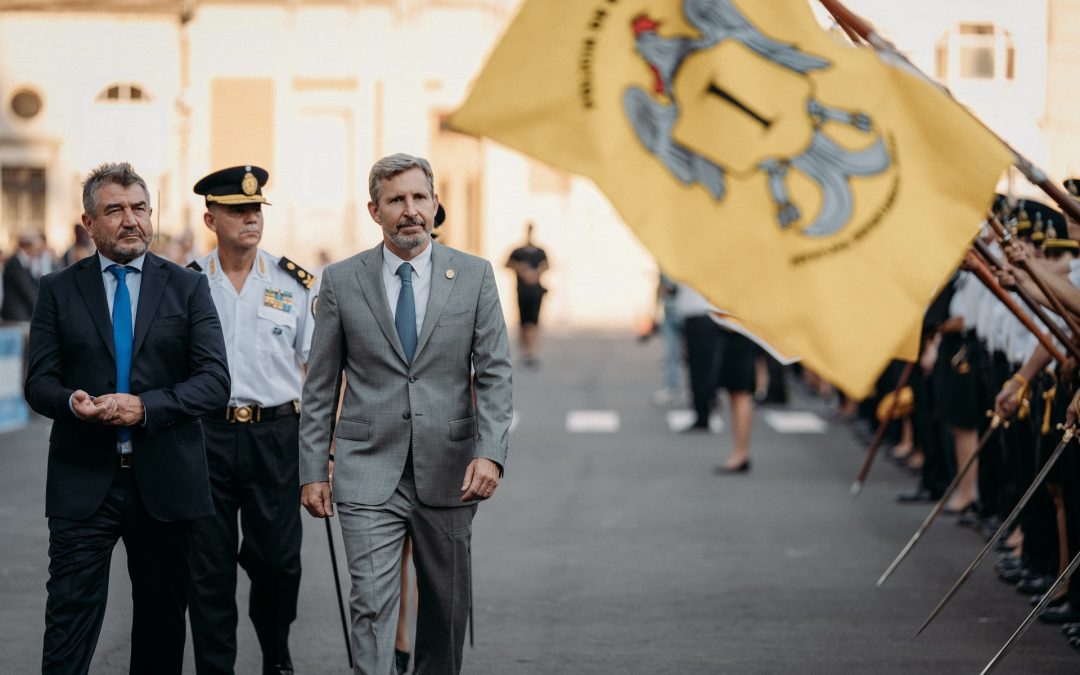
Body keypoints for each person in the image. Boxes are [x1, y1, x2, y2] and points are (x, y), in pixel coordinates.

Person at [299, 153, 512, 675]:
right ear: (375, 211)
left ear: (436, 205)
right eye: (396, 200)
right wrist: (312, 471)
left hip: (452, 471)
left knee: (445, 608)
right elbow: (321, 385)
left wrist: (491, 454)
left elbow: (495, 374)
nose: (410, 210)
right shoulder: (342, 281)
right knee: (370, 603)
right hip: (367, 468)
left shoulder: (476, 276)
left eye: (419, 198)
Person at [23, 161, 230, 674]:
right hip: (83, 479)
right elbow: (39, 382)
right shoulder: (58, 288)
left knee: (161, 628)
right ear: (89, 223)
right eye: (114, 210)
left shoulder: (187, 287)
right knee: (69, 622)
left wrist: (145, 407)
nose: (130, 219)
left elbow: (214, 381)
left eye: (139, 208)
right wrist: (71, 402)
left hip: (166, 482)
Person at [186, 165, 318, 675]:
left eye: (256, 209)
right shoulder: (187, 284)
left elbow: (318, 368)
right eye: (238, 210)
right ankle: (215, 667)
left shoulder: (294, 282)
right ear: (210, 218)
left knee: (278, 562)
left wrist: (322, 446)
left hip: (276, 436)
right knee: (209, 565)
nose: (250, 218)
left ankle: (275, 653)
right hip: (206, 436)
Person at [505, 222, 548, 367]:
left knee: (534, 322)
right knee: (523, 322)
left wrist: (535, 273)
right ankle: (526, 350)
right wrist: (520, 269)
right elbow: (507, 264)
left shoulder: (540, 251)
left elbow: (546, 265)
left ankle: (531, 351)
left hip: (535, 292)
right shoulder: (518, 251)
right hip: (522, 291)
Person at [1, 232, 40, 322]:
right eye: (35, 248)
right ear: (29, 247)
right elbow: (27, 290)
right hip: (16, 317)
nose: (37, 252)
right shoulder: (15, 263)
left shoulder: (23, 263)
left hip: (22, 315)